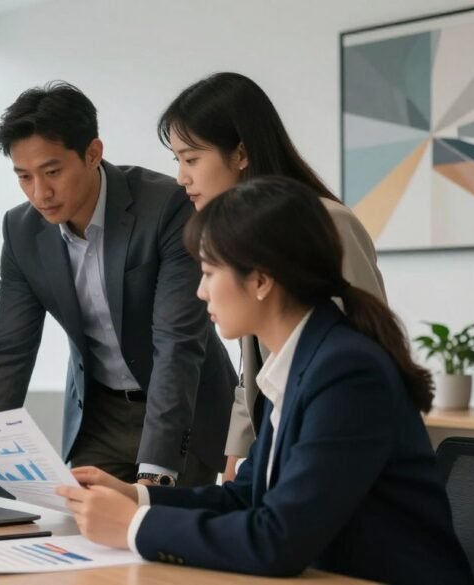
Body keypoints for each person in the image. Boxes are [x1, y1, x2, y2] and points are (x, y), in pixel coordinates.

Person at [57, 177, 472, 583]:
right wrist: (136, 496)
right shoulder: (299, 360)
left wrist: (134, 526)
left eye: (208, 272)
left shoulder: (346, 371)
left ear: (259, 279)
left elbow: (278, 541)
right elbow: (246, 497)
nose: (200, 292)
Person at [0, 81, 235, 497]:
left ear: (92, 153)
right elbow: (10, 349)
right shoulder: (21, 230)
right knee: (83, 541)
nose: (40, 193)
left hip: (183, 414)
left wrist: (153, 478)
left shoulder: (166, 207)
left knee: (160, 544)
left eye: (52, 172)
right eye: (24, 177)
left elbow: (176, 344)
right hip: (98, 417)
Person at [159, 71, 387, 481]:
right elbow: (257, 372)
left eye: (191, 159)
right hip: (278, 453)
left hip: (333, 453)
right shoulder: (243, 237)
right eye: (176, 160)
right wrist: (234, 466)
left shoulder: (327, 224)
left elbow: (363, 356)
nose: (181, 178)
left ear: (241, 154)